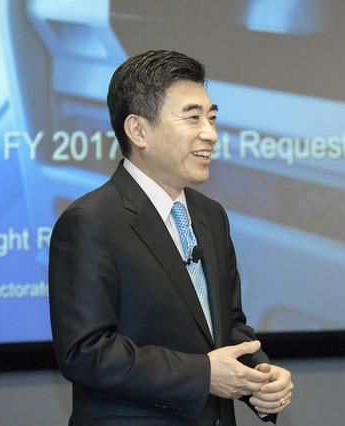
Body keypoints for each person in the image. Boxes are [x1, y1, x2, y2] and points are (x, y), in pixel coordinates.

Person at [48, 50, 293, 425]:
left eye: (212, 118)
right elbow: (86, 352)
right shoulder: (90, 221)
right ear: (138, 131)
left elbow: (226, 326)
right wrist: (203, 374)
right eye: (193, 117)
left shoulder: (210, 216)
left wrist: (259, 377)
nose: (210, 134)